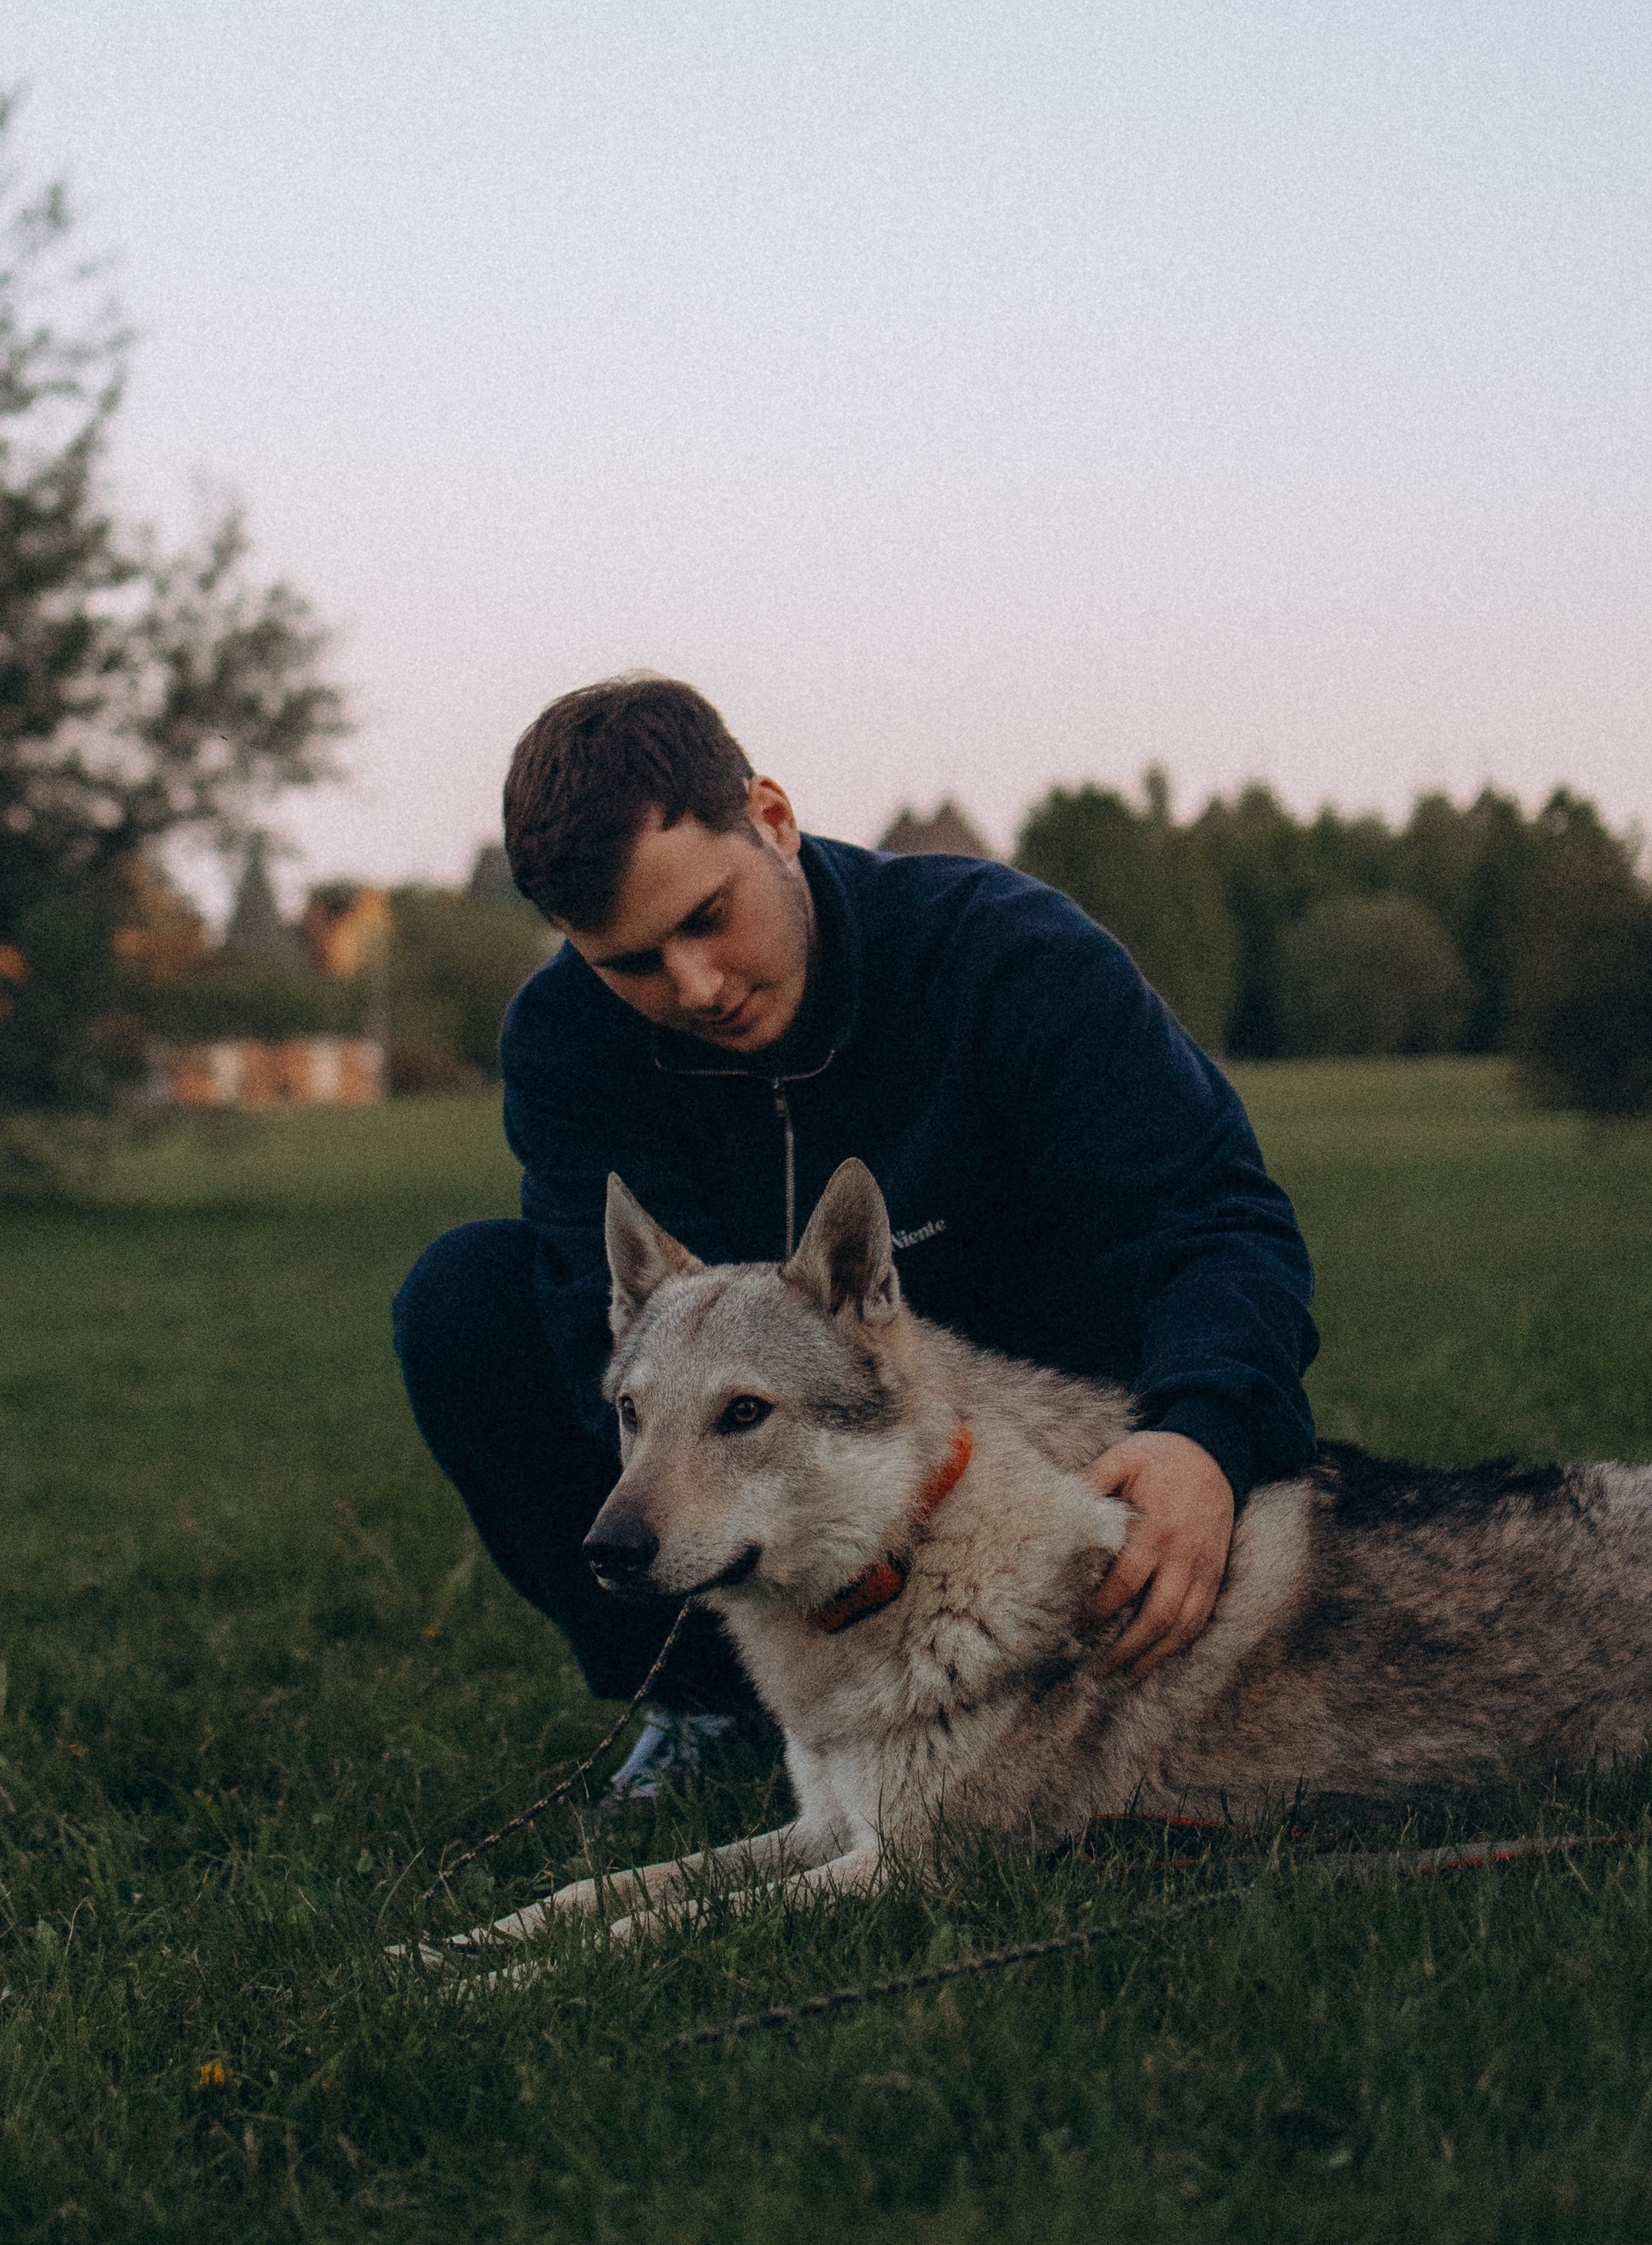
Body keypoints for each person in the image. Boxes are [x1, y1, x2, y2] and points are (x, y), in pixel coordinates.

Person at [394, 677, 1317, 1807]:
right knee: (465, 1300)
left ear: (772, 819)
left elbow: (1213, 1217)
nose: (696, 986)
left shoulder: (1006, 954)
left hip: (1047, 1456)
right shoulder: (565, 1040)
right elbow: (609, 1324)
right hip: (765, 1454)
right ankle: (714, 1704)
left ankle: (1048, 1681)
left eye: (707, 916)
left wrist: (1205, 1434)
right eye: (630, 963)